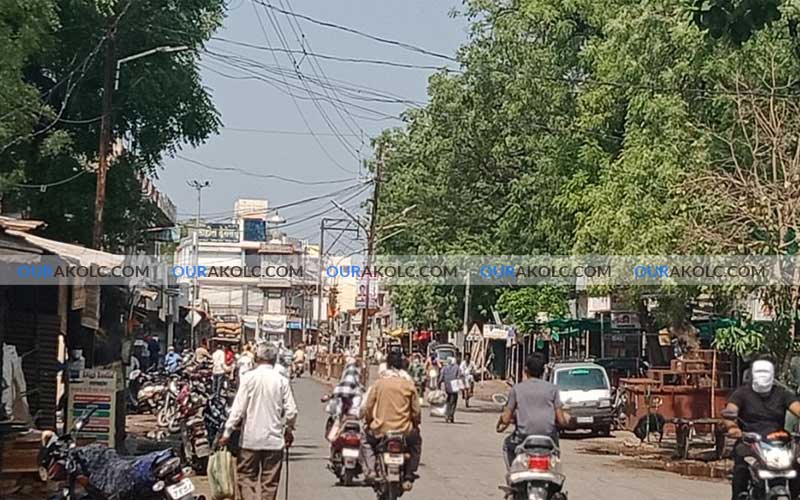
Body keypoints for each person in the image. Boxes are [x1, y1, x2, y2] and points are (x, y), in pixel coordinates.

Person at [219, 344, 297, 500]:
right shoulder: (281, 381)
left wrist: (227, 432)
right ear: (274, 359)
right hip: (274, 441)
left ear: (257, 358)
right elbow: (291, 411)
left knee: (246, 478)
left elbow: (238, 410)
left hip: (250, 440)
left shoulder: (248, 378)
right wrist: (289, 430)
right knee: (270, 484)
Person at [724, 358, 800, 500]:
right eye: (759, 372)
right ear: (752, 374)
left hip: (777, 442)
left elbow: (797, 408)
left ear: (772, 374)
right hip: (750, 441)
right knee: (741, 470)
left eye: (766, 372)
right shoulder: (741, 394)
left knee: (796, 468)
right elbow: (731, 411)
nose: (762, 375)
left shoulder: (782, 394)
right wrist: (733, 427)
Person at [496, 353, 572, 468]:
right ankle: (553, 469)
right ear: (543, 371)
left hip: (523, 437)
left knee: (507, 445)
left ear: (526, 370)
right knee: (555, 451)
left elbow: (506, 419)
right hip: (548, 437)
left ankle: (512, 471)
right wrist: (568, 421)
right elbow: (561, 420)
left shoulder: (517, 389)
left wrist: (501, 421)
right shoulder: (552, 389)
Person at [363, 351, 422, 491]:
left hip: (381, 429)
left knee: (366, 441)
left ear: (388, 365)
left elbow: (368, 407)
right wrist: (416, 424)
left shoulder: (379, 384)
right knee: (416, 443)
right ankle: (409, 474)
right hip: (404, 430)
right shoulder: (409, 385)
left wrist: (369, 421)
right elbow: (416, 411)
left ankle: (371, 470)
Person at [439, 356, 463, 424]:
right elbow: (459, 376)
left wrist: (439, 385)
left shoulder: (444, 368)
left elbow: (441, 378)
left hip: (447, 387)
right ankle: (451, 415)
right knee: (453, 402)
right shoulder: (457, 367)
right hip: (454, 387)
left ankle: (447, 415)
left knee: (448, 401)